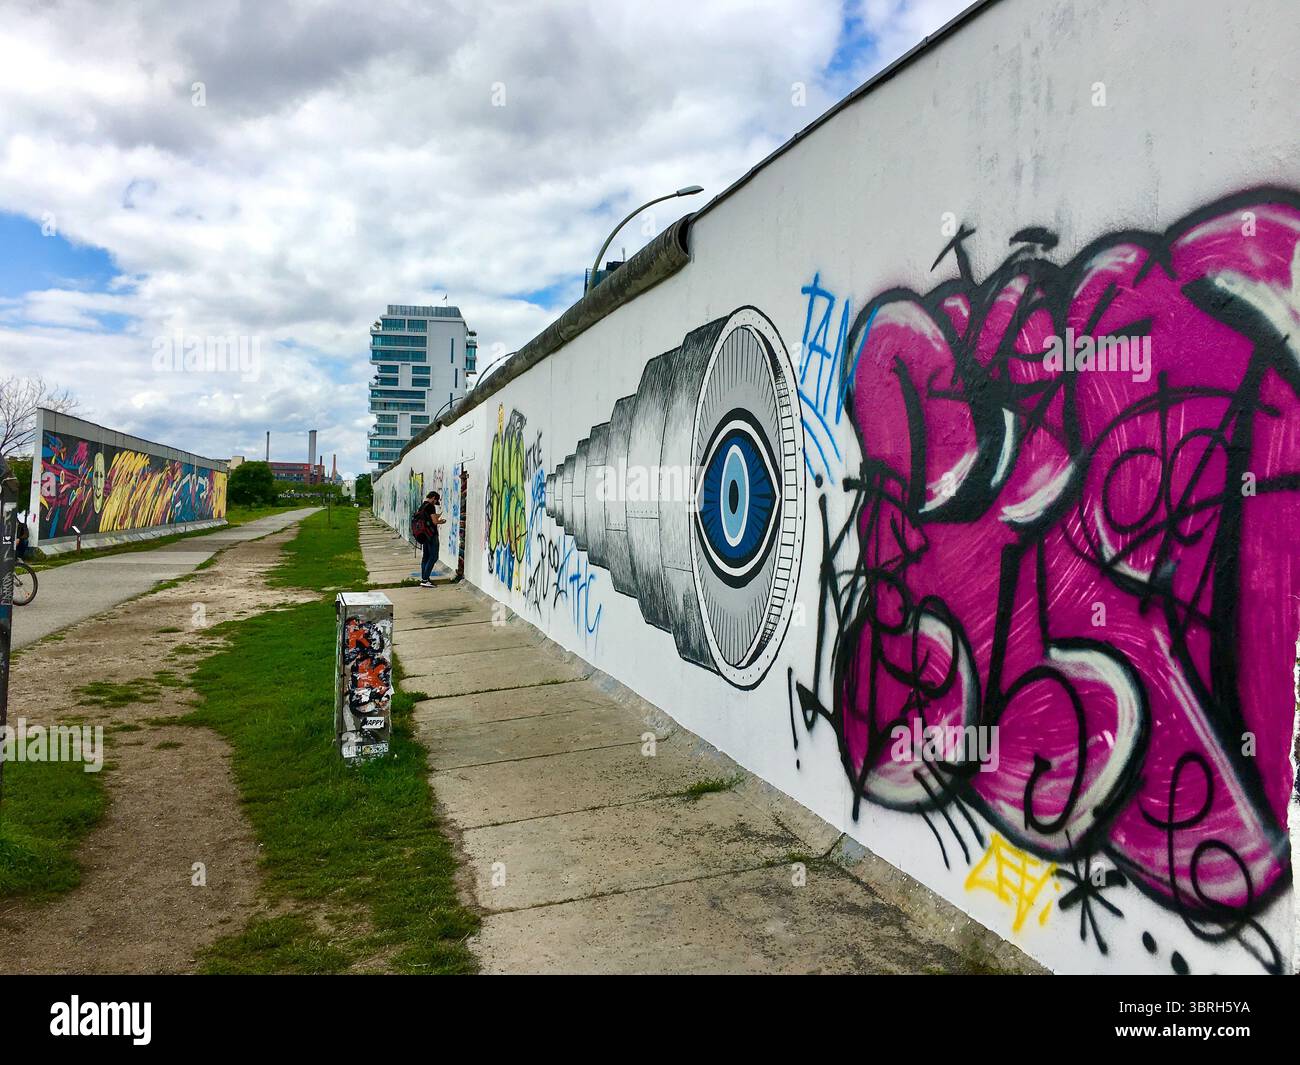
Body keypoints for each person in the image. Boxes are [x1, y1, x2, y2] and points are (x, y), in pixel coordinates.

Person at [412, 491, 445, 587]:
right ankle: (425, 580)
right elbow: (434, 522)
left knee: (426, 557)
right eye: (436, 501)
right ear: (433, 497)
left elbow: (428, 519)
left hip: (424, 535)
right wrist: (441, 521)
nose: (435, 503)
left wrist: (436, 516)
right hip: (431, 535)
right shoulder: (431, 506)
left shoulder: (423, 506)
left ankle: (424, 579)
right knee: (434, 557)